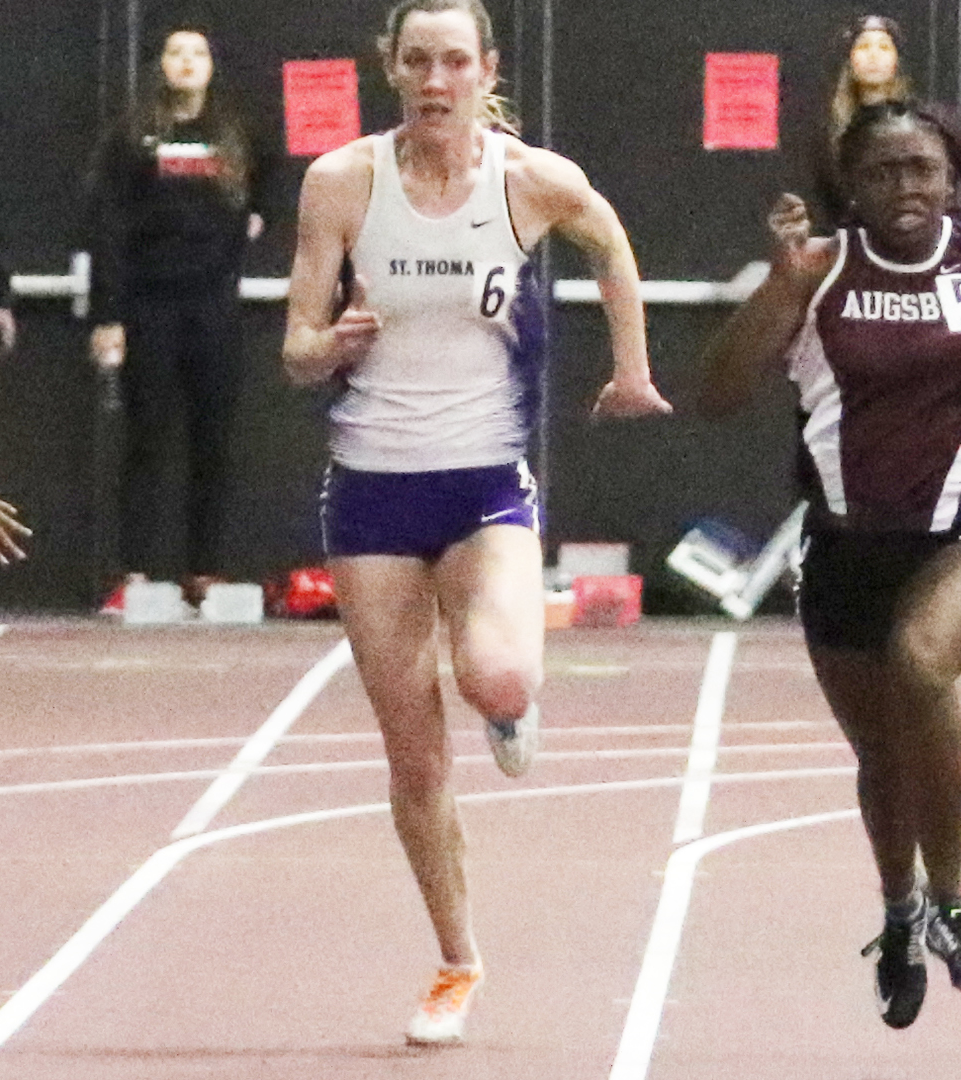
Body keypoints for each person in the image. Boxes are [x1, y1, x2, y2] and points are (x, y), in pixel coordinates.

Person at [280, 0, 670, 1046]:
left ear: (485, 69)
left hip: (487, 482)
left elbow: (613, 242)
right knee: (414, 757)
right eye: (419, 60)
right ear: (393, 69)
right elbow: (295, 346)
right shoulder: (342, 183)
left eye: (456, 59)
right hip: (371, 489)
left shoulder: (527, 179)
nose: (436, 78)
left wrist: (632, 370)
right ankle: (457, 960)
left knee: (495, 673)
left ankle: (507, 704)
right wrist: (332, 346)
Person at [699, 101, 961, 1030]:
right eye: (884, 173)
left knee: (922, 663)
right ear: (852, 187)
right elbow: (715, 393)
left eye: (923, 169)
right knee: (882, 753)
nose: (907, 187)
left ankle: (955, 905)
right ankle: (899, 912)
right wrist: (778, 284)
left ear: (953, 180)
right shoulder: (818, 271)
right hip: (843, 549)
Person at [86, 24, 276, 607]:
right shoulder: (132, 137)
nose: (187, 63)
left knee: (212, 440)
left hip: (214, 304)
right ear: (161, 65)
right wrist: (108, 316)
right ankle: (136, 571)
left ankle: (205, 572)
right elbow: (109, 226)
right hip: (149, 306)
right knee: (147, 437)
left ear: (212, 66)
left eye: (198, 53)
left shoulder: (236, 134)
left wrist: (259, 217)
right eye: (176, 52)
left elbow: (274, 178)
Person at [813, 15, 961, 229]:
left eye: (884, 48)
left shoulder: (928, 121)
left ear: (897, 60)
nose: (873, 56)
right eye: (864, 47)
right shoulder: (831, 131)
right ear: (849, 59)